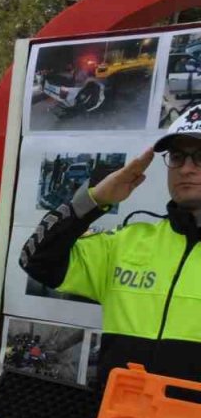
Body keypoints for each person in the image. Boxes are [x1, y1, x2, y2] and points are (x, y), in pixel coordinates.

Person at [19, 106, 201, 386]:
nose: (186, 168)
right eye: (177, 157)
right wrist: (95, 200)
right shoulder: (126, 242)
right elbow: (36, 259)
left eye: (200, 156)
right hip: (117, 413)